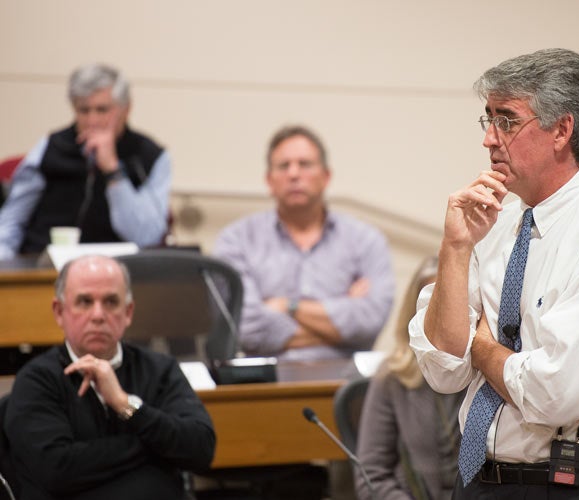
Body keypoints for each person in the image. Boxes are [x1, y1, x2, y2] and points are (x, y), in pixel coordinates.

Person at [409, 48, 579, 500]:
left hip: (570, 484)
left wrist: (482, 345)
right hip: (476, 480)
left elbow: (552, 395)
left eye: (507, 120)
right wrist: (455, 247)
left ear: (562, 130)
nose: (489, 139)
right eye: (487, 119)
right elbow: (442, 368)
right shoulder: (497, 226)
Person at [3, 255, 215, 499]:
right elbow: (56, 470)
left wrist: (127, 406)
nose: (98, 315)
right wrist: (153, 445)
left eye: (111, 302)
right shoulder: (37, 379)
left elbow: (201, 449)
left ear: (128, 312)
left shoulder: (159, 369)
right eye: (84, 301)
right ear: (59, 312)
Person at [214, 125, 394, 361]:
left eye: (305, 164)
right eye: (284, 166)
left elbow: (370, 321)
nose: (294, 174)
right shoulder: (236, 240)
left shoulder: (365, 240)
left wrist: (288, 307)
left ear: (326, 176)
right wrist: (344, 316)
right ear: (269, 180)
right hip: (264, 386)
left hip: (347, 383)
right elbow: (245, 329)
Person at [0, 63, 172, 259]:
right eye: (84, 110)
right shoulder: (50, 147)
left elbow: (147, 237)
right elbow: (11, 221)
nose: (92, 121)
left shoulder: (149, 156)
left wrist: (113, 171)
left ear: (126, 108)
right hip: (44, 267)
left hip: (116, 272)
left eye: (102, 110)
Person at [356, 256, 464, 500]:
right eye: (431, 306)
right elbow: (371, 477)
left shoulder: (487, 375)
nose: (442, 318)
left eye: (450, 305)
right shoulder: (393, 378)